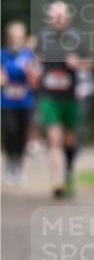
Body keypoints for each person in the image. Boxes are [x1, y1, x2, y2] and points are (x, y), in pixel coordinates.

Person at [36, 1, 87, 198]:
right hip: (49, 97)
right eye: (53, 16)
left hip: (70, 98)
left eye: (60, 15)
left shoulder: (78, 38)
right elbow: (34, 58)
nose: (56, 19)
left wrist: (79, 63)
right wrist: (34, 69)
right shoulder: (42, 37)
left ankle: (68, 173)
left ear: (68, 17)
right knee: (54, 140)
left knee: (69, 142)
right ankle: (57, 181)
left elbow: (91, 63)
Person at [1, 21, 39, 185]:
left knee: (23, 135)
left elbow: (35, 81)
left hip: (25, 101)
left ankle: (19, 167)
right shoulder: (2, 54)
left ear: (23, 38)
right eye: (13, 36)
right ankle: (9, 164)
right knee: (10, 132)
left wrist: (31, 72)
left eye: (19, 36)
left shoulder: (29, 55)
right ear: (8, 37)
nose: (16, 39)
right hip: (7, 101)